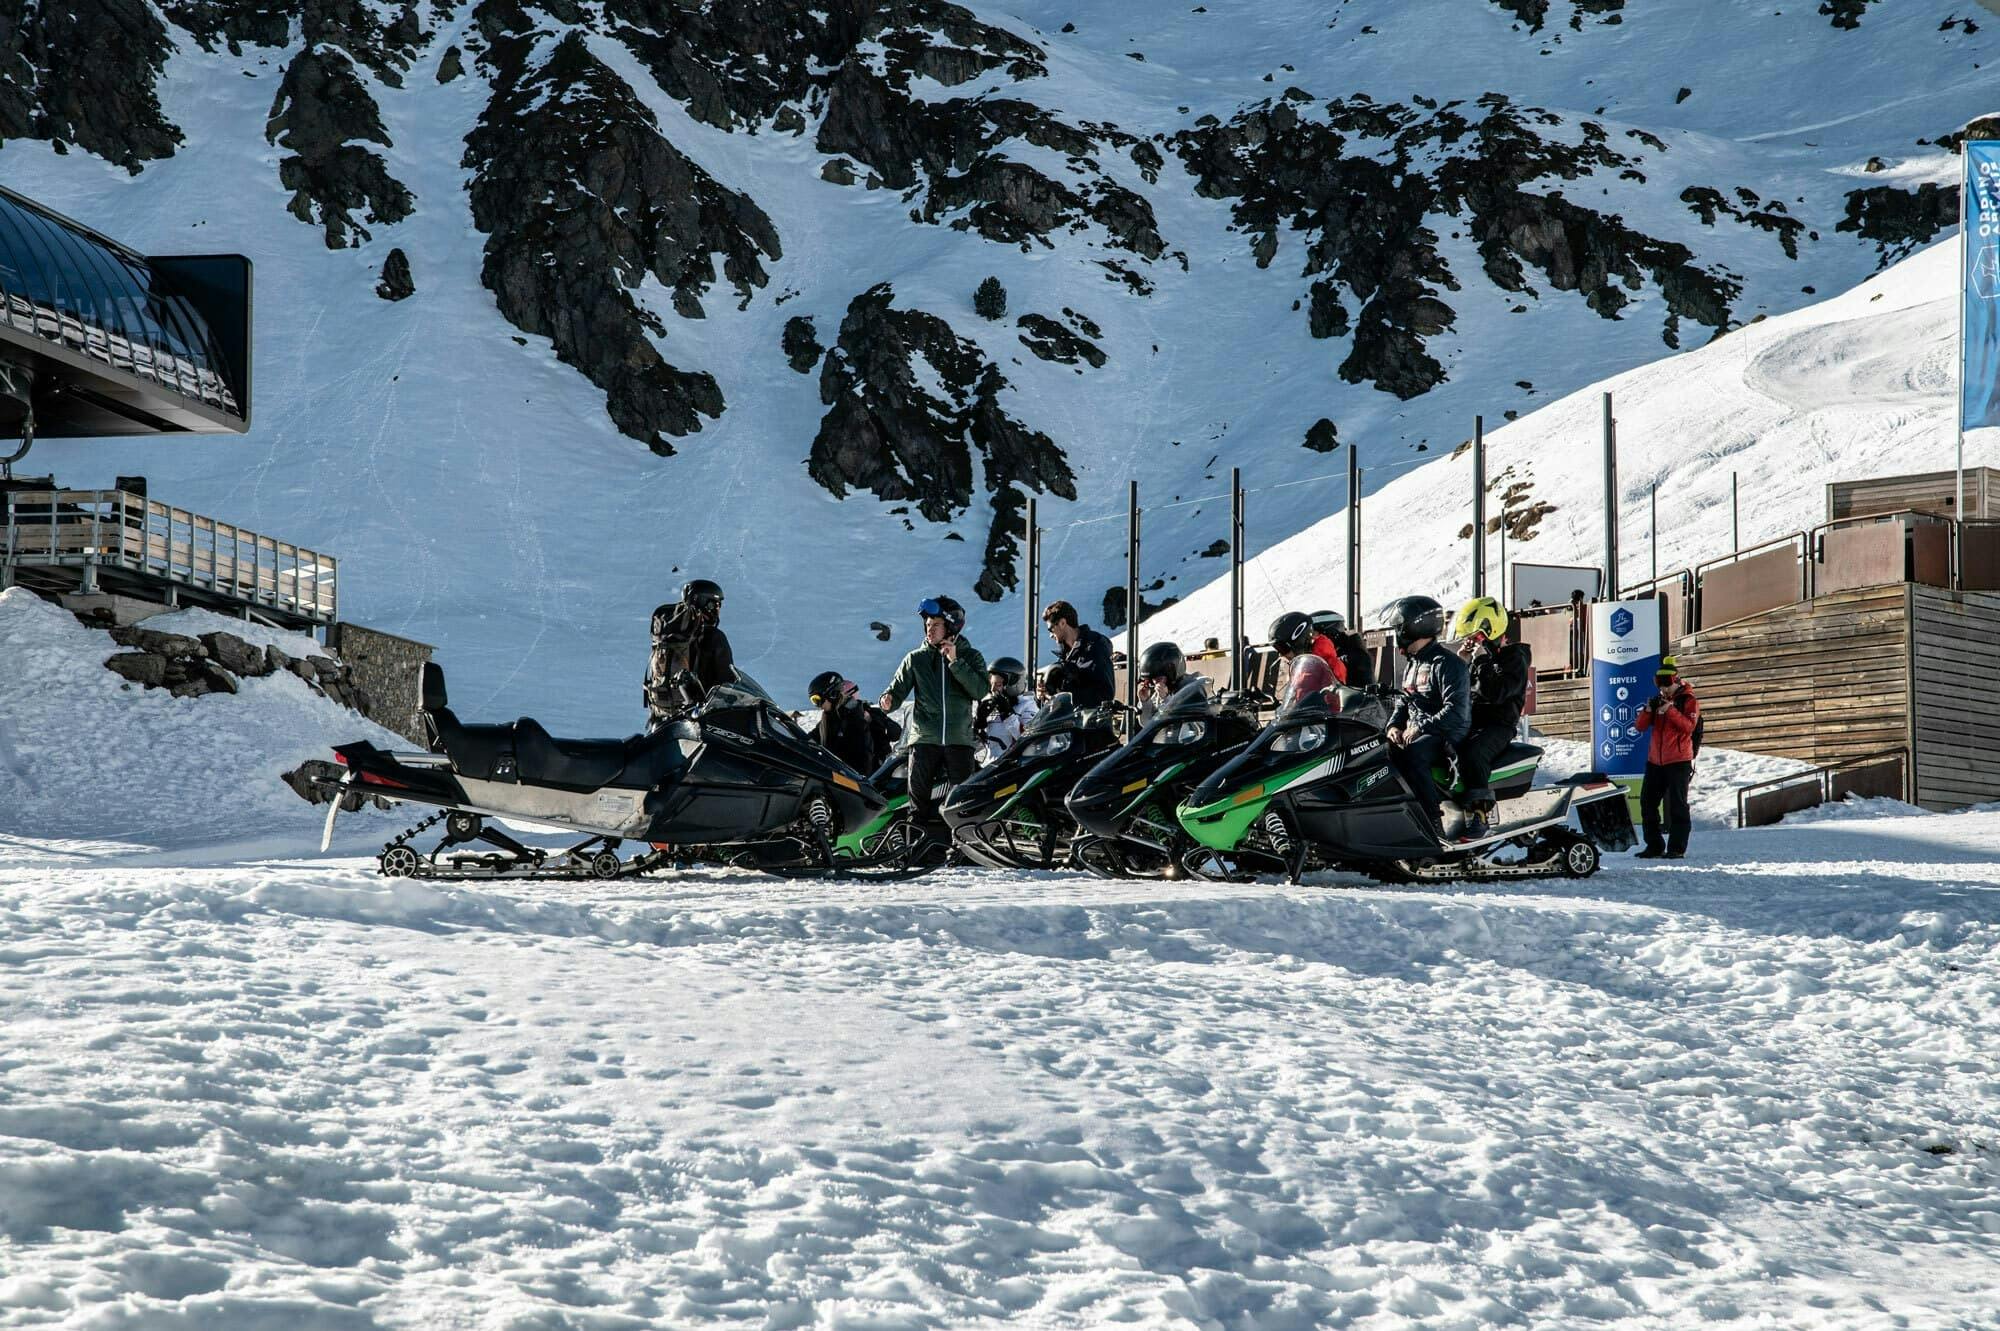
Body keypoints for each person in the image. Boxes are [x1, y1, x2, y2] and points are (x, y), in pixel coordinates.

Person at [879, 595, 988, 843]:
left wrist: (955, 662)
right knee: (917, 802)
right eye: (927, 625)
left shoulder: (971, 657)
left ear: (951, 626)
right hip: (923, 739)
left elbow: (980, 691)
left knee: (961, 803)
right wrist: (887, 700)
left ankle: (964, 851)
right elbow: (894, 693)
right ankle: (912, 849)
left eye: (935, 625)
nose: (930, 630)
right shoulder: (915, 659)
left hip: (958, 740)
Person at [1382, 594, 1470, 836]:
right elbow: (1404, 702)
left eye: (1398, 628)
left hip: (1446, 733)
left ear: (1413, 627)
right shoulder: (1413, 663)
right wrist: (1393, 727)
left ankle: (1432, 823)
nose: (1395, 634)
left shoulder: (1448, 664)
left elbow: (1456, 711)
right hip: (1419, 730)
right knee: (1379, 750)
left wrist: (1420, 728)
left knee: (1413, 753)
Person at [1448, 596, 1529, 838]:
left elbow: (1496, 692)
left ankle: (1480, 815)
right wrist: (1461, 663)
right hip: (1471, 721)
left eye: (1475, 639)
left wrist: (1482, 659)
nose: (1471, 644)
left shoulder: (1515, 658)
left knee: (1474, 755)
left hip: (1499, 725)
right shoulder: (1479, 660)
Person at [1634, 655, 1700, 860]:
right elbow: (1640, 727)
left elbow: (1689, 727)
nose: (1663, 690)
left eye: (1666, 685)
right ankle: (1654, 845)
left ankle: (1677, 848)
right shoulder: (1658, 700)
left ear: (1676, 681)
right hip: (1656, 761)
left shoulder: (1688, 701)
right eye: (1659, 685)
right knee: (1647, 803)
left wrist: (1670, 710)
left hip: (1678, 760)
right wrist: (1647, 711)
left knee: (1678, 805)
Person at [645, 578, 732, 730]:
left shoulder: (670, 635)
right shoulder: (714, 637)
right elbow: (727, 682)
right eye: (716, 604)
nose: (718, 610)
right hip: (699, 721)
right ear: (707, 604)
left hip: (662, 718)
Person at [808, 670, 901, 775]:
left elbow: (896, 733)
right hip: (836, 779)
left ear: (832, 694)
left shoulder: (864, 714)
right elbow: (808, 739)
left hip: (872, 777)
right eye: (813, 701)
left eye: (817, 699)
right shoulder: (827, 721)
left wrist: (875, 721)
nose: (817, 705)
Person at [1040, 600, 1116, 708]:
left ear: (1062, 623)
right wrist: (1045, 694)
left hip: (1092, 722)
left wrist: (1065, 697)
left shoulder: (1096, 647)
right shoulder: (1065, 654)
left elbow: (1106, 695)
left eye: (1051, 629)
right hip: (1067, 721)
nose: (1050, 635)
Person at [974, 656, 1038, 764]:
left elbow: (1031, 741)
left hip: (1013, 767)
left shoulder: (1028, 706)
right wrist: (978, 724)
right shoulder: (991, 707)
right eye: (992, 684)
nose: (993, 689)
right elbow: (980, 748)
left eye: (998, 685)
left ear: (1013, 684)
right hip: (990, 767)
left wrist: (1008, 715)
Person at [1270, 611, 1347, 693]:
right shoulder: (1303, 667)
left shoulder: (1327, 665)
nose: (1281, 654)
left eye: (1283, 648)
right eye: (1277, 649)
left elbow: (1334, 697)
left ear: (1299, 642)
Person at [1133, 641, 1189, 723]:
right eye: (1151, 679)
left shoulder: (1191, 688)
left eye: (1159, 677)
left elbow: (1178, 721)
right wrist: (1145, 702)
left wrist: (1166, 699)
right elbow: (1147, 724)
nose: (1155, 682)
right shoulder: (1158, 693)